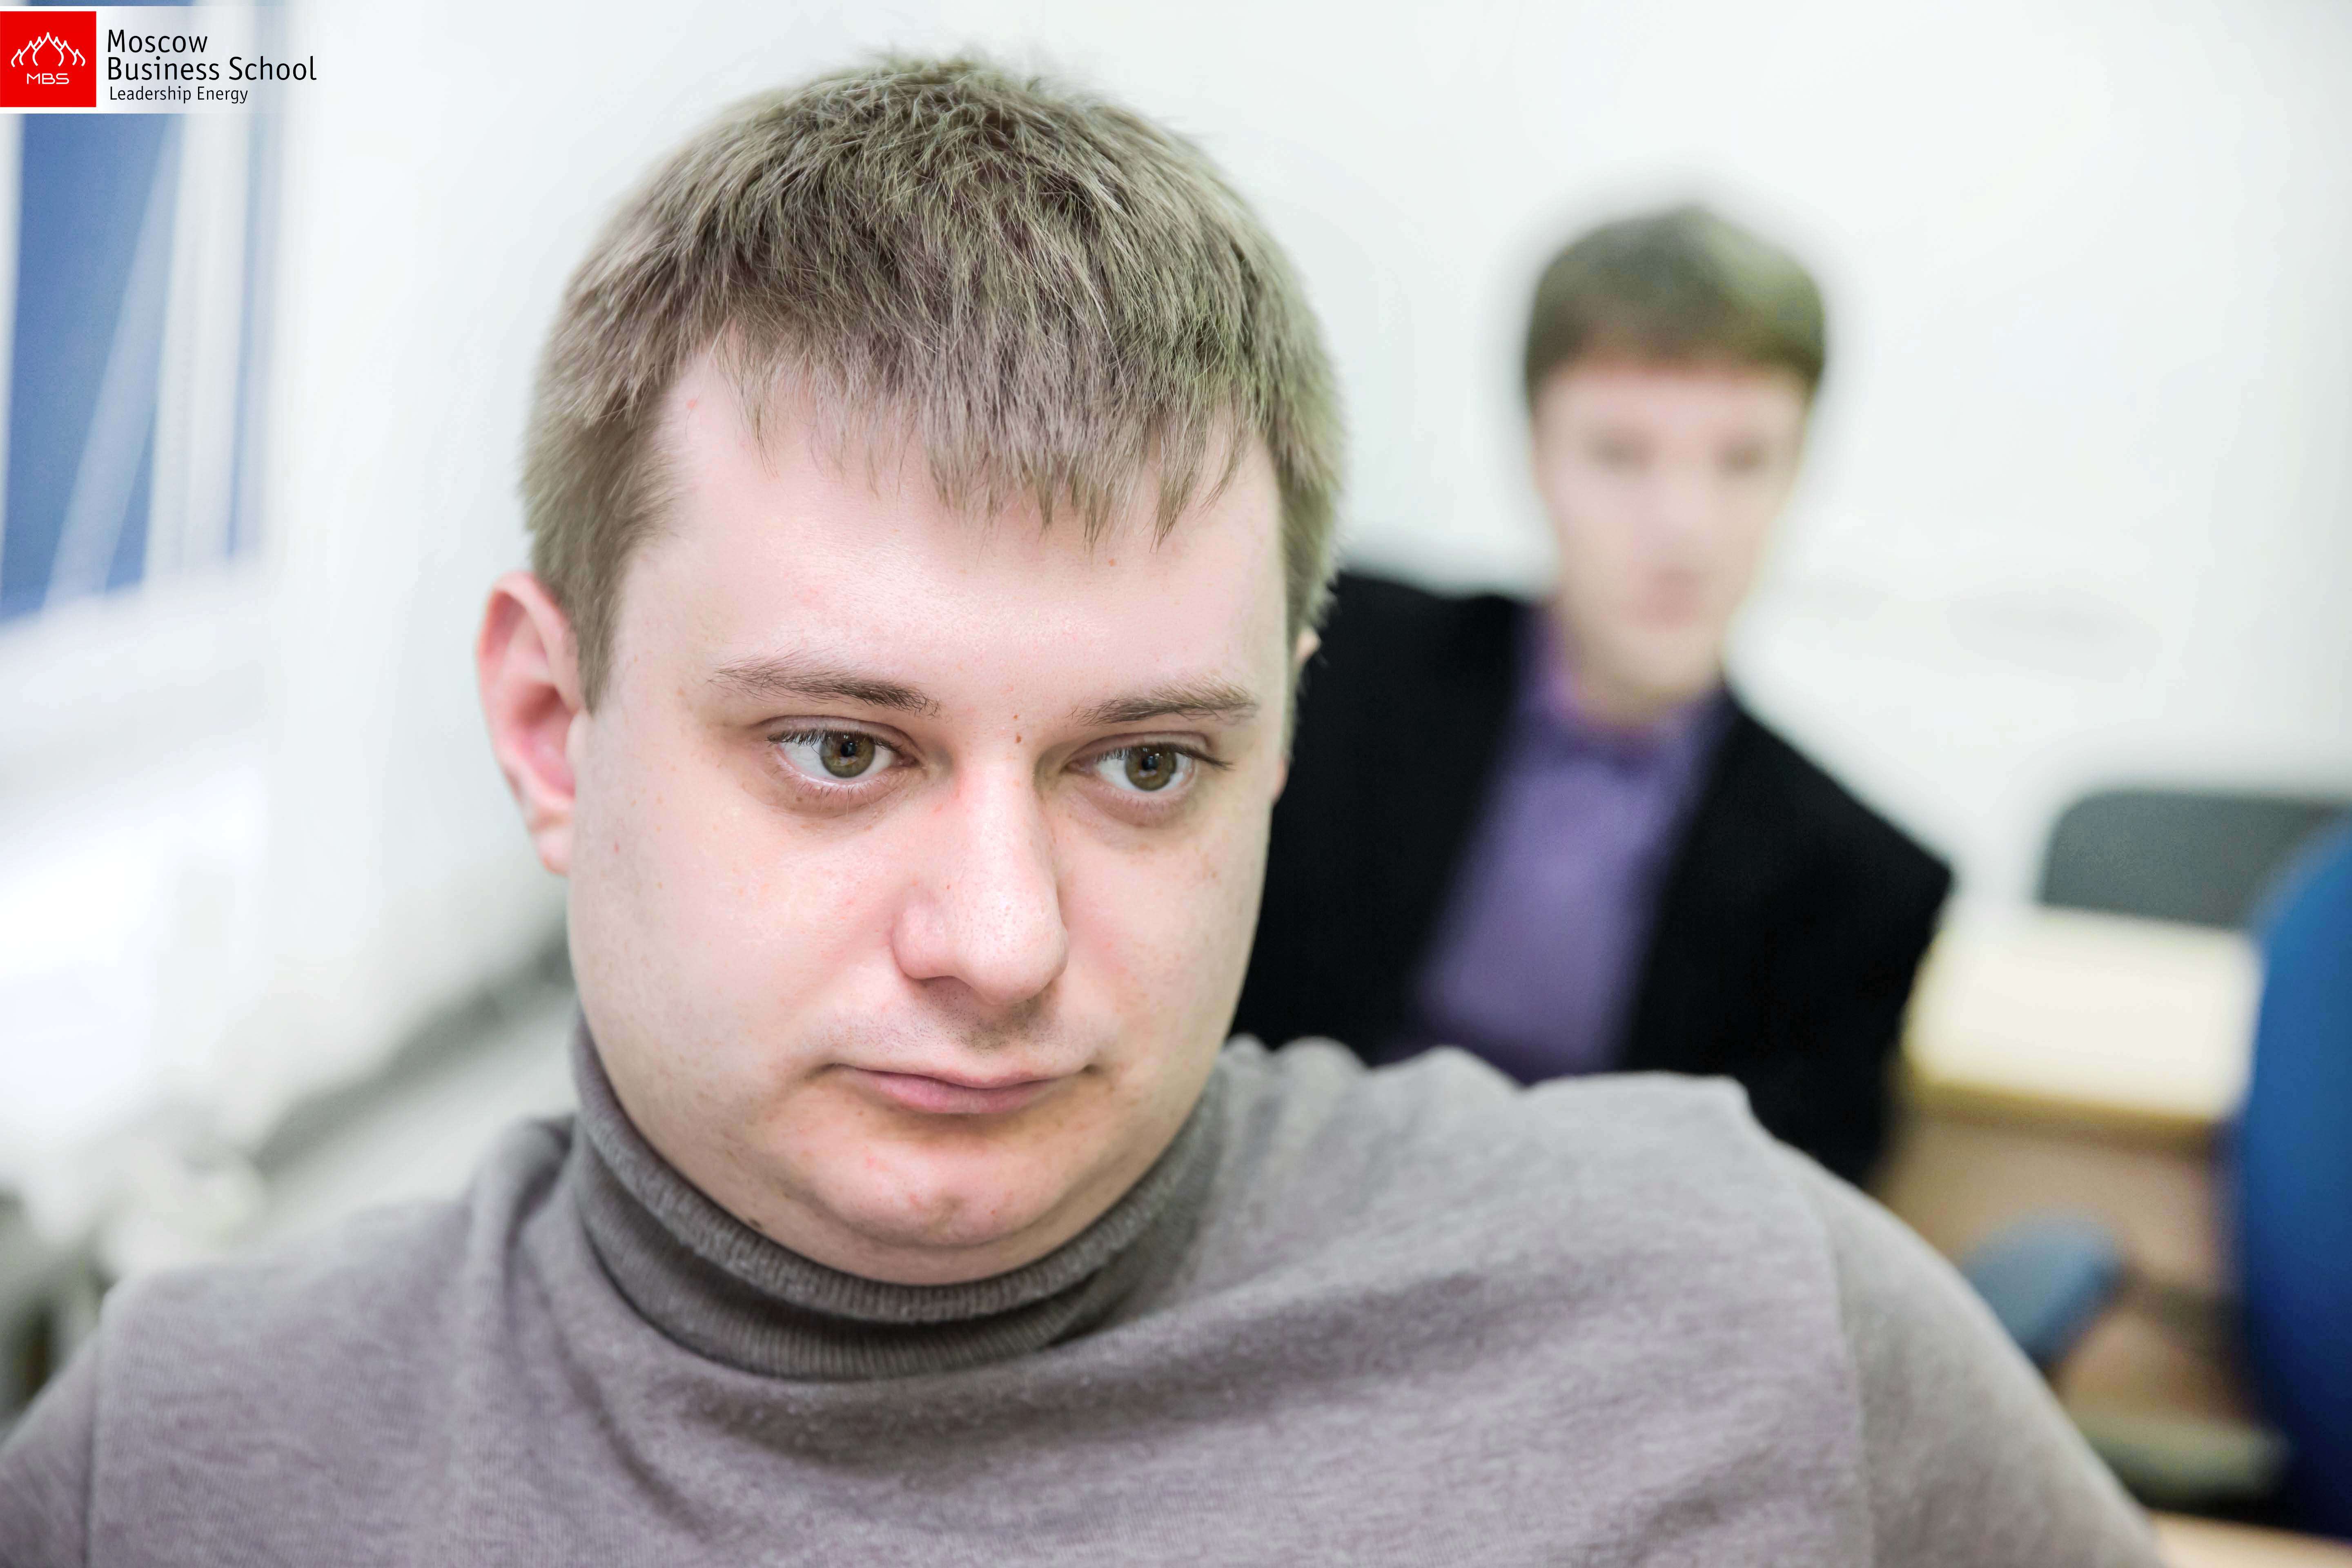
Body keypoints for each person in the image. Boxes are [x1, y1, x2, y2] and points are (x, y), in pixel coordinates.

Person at [0, 59, 2152, 1564]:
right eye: (843, 750)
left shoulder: (1737, 1319)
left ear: (1276, 741)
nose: (1004, 941)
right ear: (555, 732)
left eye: (1144, 767)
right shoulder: (180, 1469)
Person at [1236, 206, 1951, 1183]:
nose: (1684, 526)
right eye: (1620, 455)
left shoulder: (1862, 887)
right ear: (1538, 454)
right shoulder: (1331, 666)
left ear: (1799, 470)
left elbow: (1777, 1227)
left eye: (1744, 460)